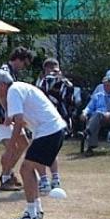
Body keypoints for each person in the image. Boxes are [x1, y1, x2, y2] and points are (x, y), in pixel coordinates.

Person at [0, 69, 66, 219]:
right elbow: (13, 117)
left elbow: (18, 121)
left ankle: (32, 213)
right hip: (52, 130)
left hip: (49, 130)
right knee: (29, 168)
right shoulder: (17, 89)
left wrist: (10, 149)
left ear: (2, 85)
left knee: (25, 169)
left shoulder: (14, 91)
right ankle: (35, 209)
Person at [0, 46, 34, 191]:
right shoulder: (5, 71)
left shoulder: (11, 72)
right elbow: (0, 94)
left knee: (23, 144)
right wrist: (7, 113)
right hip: (1, 115)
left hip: (10, 113)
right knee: (12, 147)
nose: (24, 67)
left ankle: (7, 172)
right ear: (18, 59)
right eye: (24, 63)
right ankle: (5, 177)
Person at [35, 58, 73, 193]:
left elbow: (69, 99)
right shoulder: (43, 82)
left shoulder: (62, 83)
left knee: (40, 151)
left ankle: (46, 180)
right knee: (50, 150)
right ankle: (53, 179)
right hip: (53, 121)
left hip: (49, 121)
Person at [80, 74, 110, 156]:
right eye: (104, 85)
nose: (106, 87)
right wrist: (84, 113)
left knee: (96, 116)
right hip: (96, 118)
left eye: (108, 85)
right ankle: (90, 146)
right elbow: (89, 107)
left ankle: (87, 131)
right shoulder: (97, 96)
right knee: (97, 115)